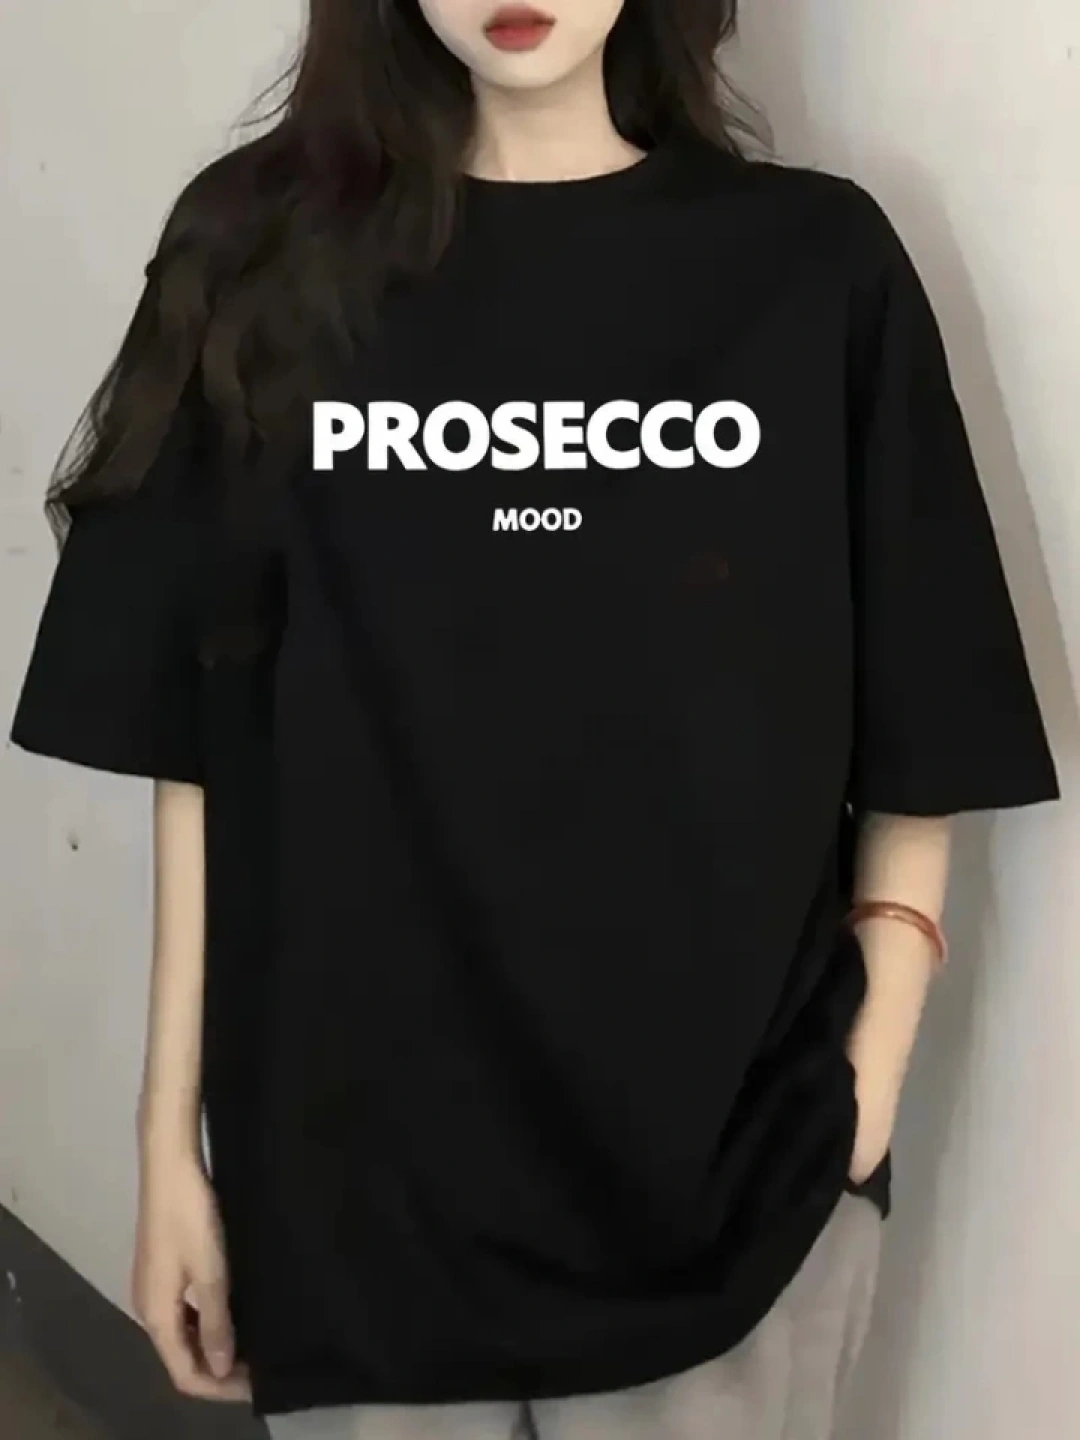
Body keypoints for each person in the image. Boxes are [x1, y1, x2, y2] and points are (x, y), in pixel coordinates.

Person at [9, 2, 1061, 1437]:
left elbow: (922, 705)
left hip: (734, 1183)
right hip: (351, 1189)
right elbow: (197, 742)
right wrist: (167, 1146)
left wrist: (867, 1076)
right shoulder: (262, 258)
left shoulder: (813, 266)